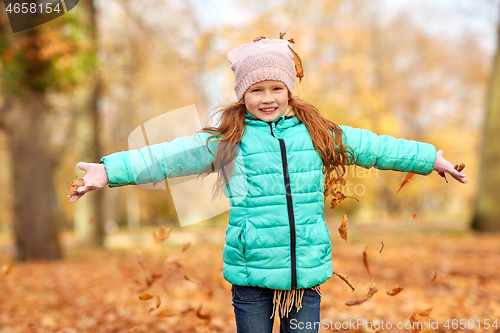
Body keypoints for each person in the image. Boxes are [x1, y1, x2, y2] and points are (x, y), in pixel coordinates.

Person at [69, 35, 467, 333]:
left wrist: (429, 158)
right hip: (250, 271)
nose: (267, 98)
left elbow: (374, 148)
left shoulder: (317, 133)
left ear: (290, 91)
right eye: (256, 90)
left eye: (276, 88)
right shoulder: (229, 140)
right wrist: (109, 171)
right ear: (243, 96)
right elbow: (167, 157)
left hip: (304, 275)